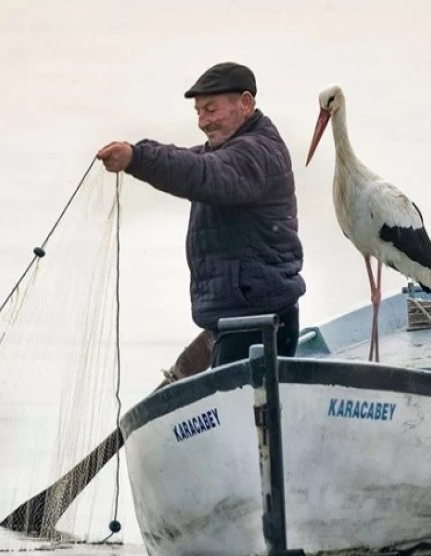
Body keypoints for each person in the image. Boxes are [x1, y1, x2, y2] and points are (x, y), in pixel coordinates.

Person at [97, 62, 305, 369]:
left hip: (257, 322)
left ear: (245, 103)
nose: (203, 122)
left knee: (243, 399)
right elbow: (187, 159)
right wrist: (137, 153)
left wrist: (136, 158)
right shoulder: (229, 150)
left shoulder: (255, 152)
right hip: (241, 317)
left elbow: (200, 172)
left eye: (210, 109)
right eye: (198, 112)